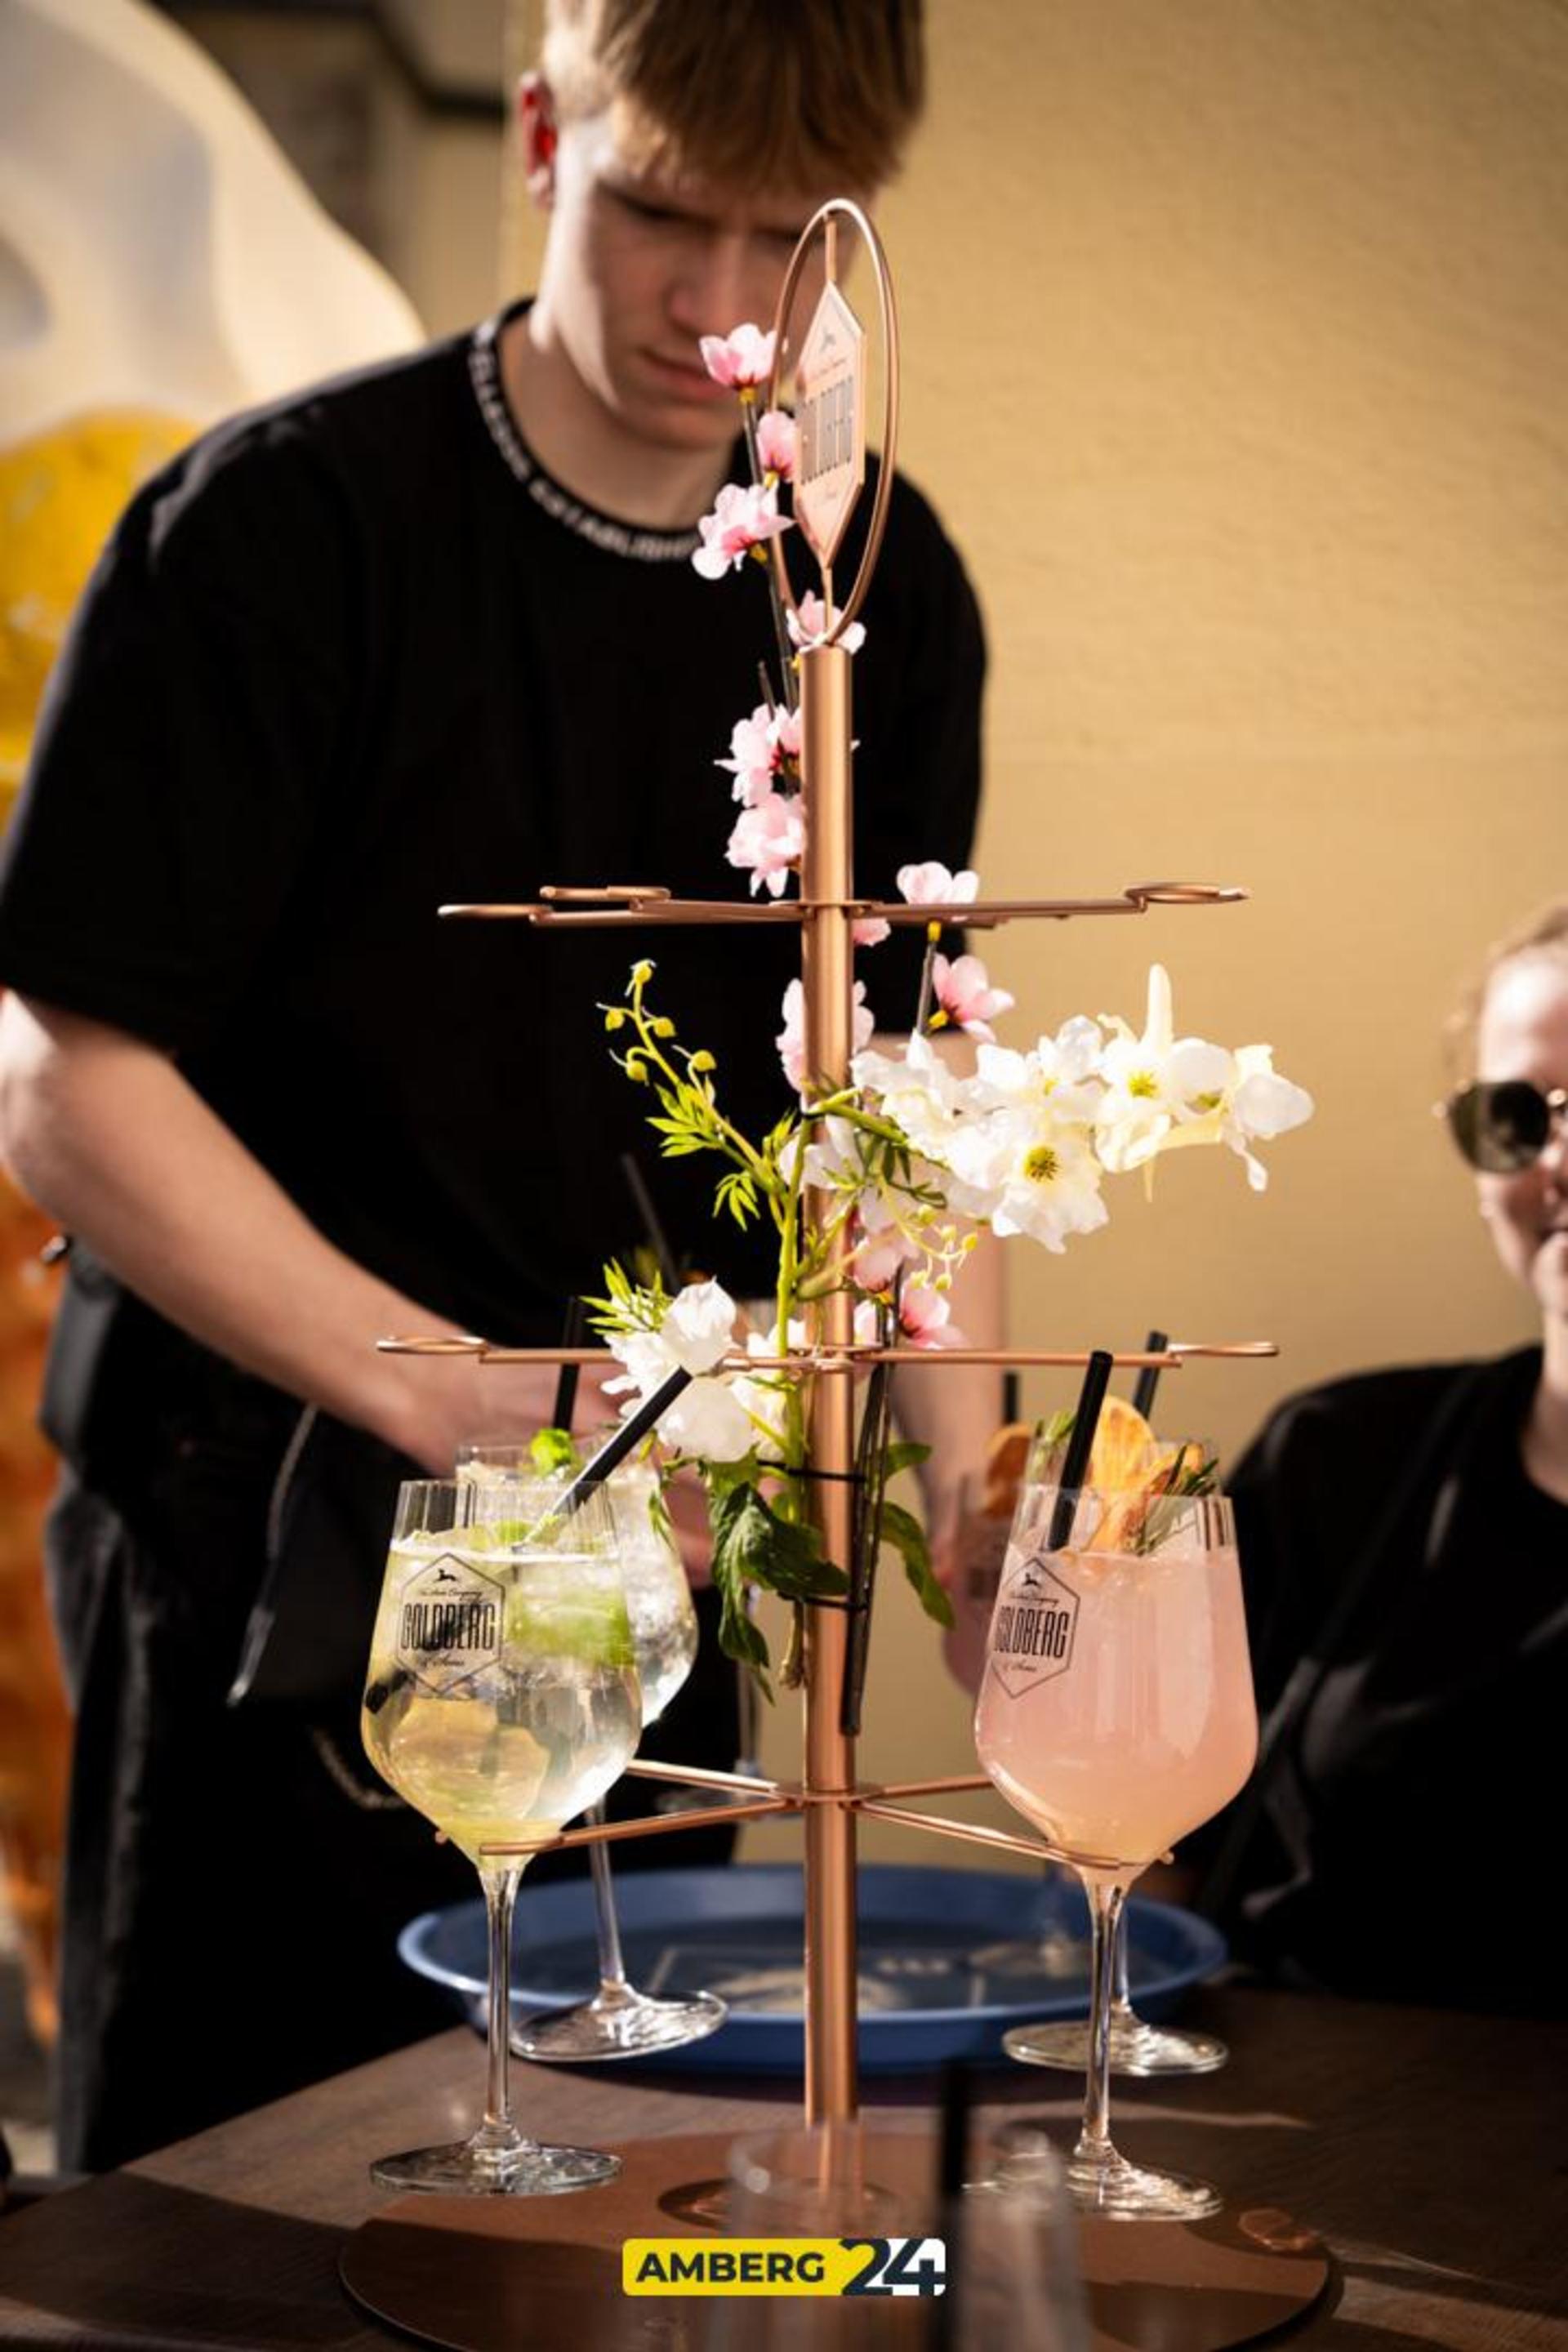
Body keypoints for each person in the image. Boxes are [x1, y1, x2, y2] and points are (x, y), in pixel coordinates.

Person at [0, 0, 993, 2168]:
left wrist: (977, 1482)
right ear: (545, 133)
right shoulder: (277, 531)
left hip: (666, 1529)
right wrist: (465, 1399)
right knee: (252, 2219)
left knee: (645, 2196)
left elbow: (901, 1085)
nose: (714, 309)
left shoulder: (879, 592)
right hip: (278, 1532)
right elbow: (63, 1079)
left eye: (779, 245)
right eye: (654, 214)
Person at [1195, 902, 1568, 2016]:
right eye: (1518, 1116)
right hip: (1306, 2154)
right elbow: (1161, 1846)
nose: (1560, 1161)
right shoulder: (1335, 1463)